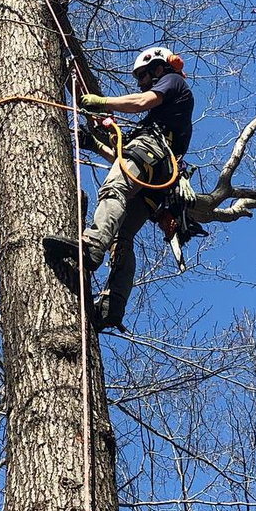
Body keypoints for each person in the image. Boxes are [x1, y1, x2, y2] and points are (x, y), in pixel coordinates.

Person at [77, 46, 194, 331]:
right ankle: (111, 307)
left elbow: (142, 102)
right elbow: (128, 162)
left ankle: (91, 247)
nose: (141, 82)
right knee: (122, 235)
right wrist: (95, 145)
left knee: (114, 188)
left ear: (159, 68)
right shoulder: (164, 122)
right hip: (158, 179)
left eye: (143, 75)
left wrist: (103, 102)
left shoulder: (173, 82)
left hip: (151, 155)